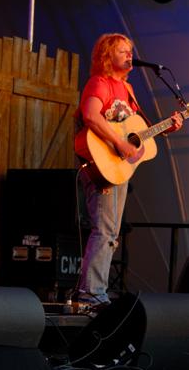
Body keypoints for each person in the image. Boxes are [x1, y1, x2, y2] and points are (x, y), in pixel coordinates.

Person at [74, 33, 183, 309]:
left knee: (111, 232)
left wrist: (167, 127)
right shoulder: (100, 83)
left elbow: (138, 129)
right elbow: (91, 115)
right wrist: (120, 143)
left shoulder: (128, 89)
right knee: (105, 230)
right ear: (107, 55)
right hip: (101, 161)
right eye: (122, 51)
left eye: (130, 51)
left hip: (117, 167)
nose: (129, 55)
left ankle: (93, 291)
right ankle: (90, 294)